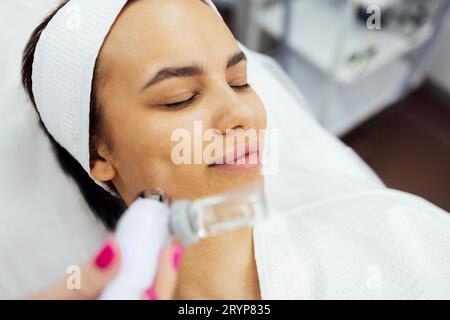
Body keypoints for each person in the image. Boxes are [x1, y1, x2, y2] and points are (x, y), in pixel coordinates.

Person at [22, 0, 450, 300]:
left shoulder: (400, 237)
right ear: (99, 155)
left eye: (240, 81)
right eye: (179, 97)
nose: (238, 113)